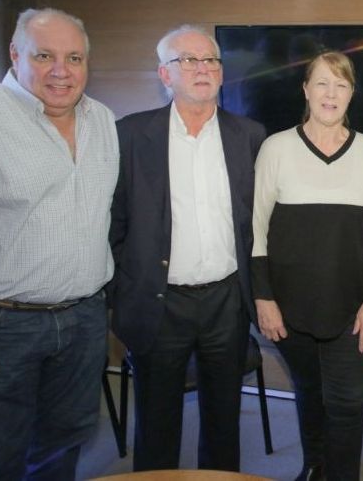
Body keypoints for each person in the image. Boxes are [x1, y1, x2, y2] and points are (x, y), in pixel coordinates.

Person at [0, 8, 118, 479]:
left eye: (74, 57)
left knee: (63, 445)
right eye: (44, 55)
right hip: (0, 327)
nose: (60, 70)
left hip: (86, 320)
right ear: (15, 54)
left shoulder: (104, 120)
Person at [108, 25, 265, 471]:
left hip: (226, 301)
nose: (202, 68)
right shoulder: (132, 136)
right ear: (164, 74)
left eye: (211, 60)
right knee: (157, 422)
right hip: (159, 302)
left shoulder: (249, 135)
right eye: (188, 60)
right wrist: (126, 287)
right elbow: (114, 223)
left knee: (223, 420)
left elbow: (257, 224)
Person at [252, 50, 363, 481]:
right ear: (306, 90)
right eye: (322, 83)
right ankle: (314, 465)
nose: (331, 93)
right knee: (309, 393)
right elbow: (256, 230)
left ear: (352, 94)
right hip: (288, 310)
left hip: (353, 311)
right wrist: (264, 298)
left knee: (348, 404)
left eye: (342, 84)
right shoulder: (275, 148)